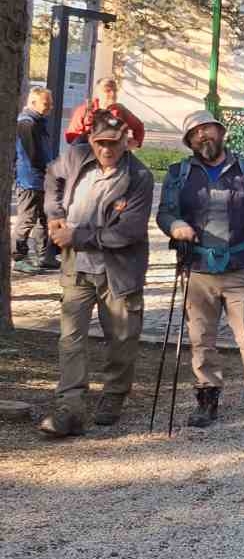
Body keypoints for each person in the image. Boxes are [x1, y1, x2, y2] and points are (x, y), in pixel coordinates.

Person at [157, 110, 244, 428]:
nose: (202, 136)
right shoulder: (178, 173)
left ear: (220, 131)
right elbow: (165, 213)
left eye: (206, 128)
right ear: (189, 141)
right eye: (194, 133)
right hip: (198, 270)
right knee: (201, 338)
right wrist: (175, 225)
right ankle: (207, 397)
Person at [38, 111, 154, 436]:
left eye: (114, 143)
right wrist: (55, 215)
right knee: (71, 338)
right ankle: (70, 407)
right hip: (77, 266)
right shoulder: (76, 156)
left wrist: (75, 235)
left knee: (121, 338)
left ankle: (114, 396)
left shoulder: (139, 177)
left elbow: (127, 232)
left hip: (119, 270)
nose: (107, 150)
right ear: (91, 140)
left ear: (126, 141)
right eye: (101, 143)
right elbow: (52, 175)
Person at [14, 86, 59, 273]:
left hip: (41, 179)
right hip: (30, 179)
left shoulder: (38, 121)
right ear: (33, 103)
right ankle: (19, 257)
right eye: (46, 104)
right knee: (27, 219)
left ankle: (43, 256)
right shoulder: (27, 123)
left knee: (43, 217)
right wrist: (49, 170)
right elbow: (33, 155)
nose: (50, 108)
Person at [64, 76, 146, 147]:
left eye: (115, 90)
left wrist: (136, 142)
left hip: (115, 159)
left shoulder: (120, 110)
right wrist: (91, 139)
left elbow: (139, 127)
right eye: (108, 91)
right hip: (89, 157)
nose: (113, 94)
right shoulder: (84, 110)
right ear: (98, 93)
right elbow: (71, 137)